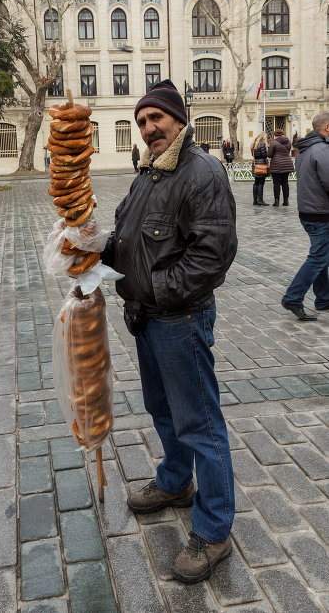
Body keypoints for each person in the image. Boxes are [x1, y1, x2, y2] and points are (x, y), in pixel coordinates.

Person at [100, 79, 237, 583]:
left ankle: (215, 528)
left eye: (155, 118)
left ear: (178, 120)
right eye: (140, 122)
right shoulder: (147, 176)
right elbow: (130, 242)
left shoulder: (201, 173)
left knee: (199, 422)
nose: (148, 128)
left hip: (179, 319)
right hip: (146, 319)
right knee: (162, 409)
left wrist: (156, 291)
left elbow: (213, 256)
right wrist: (93, 249)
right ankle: (176, 482)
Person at [281, 111, 329, 322]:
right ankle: (293, 297)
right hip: (321, 213)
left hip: (309, 211)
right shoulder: (322, 150)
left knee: (321, 255)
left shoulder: (304, 149)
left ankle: (324, 298)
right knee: (319, 257)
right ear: (327, 128)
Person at [267, 129, 294, 207]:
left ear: (275, 135)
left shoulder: (274, 142)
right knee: (285, 183)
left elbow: (269, 154)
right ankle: (286, 201)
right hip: (287, 163)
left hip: (276, 164)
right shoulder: (288, 141)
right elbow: (288, 151)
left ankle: (277, 201)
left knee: (276, 184)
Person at [251, 132, 270, 207]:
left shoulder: (253, 143)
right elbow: (264, 155)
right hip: (261, 165)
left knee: (256, 183)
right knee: (261, 183)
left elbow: (253, 154)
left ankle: (255, 200)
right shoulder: (262, 144)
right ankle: (260, 200)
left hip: (255, 164)